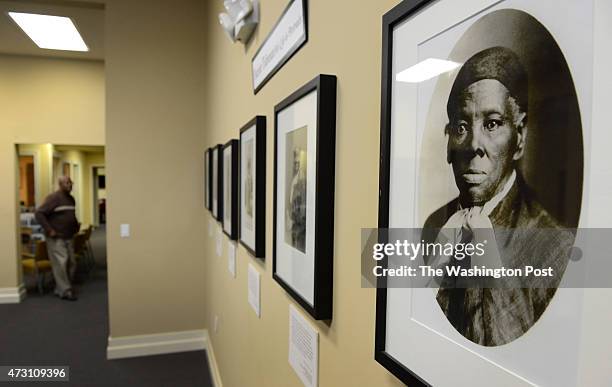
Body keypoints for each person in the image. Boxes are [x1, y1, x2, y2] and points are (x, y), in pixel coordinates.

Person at [422, 46, 573, 346]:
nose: (474, 144)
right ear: (449, 143)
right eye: (461, 127)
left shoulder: (555, 248)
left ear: (520, 138)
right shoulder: (435, 225)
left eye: (492, 124)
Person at [35, 176, 80, 301]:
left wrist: (76, 226)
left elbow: (71, 215)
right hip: (56, 237)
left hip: (69, 236)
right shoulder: (54, 198)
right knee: (61, 263)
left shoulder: (71, 199)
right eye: (67, 183)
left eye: (71, 182)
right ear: (60, 184)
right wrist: (49, 230)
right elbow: (39, 213)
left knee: (72, 263)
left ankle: (61, 287)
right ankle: (66, 290)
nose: (70, 184)